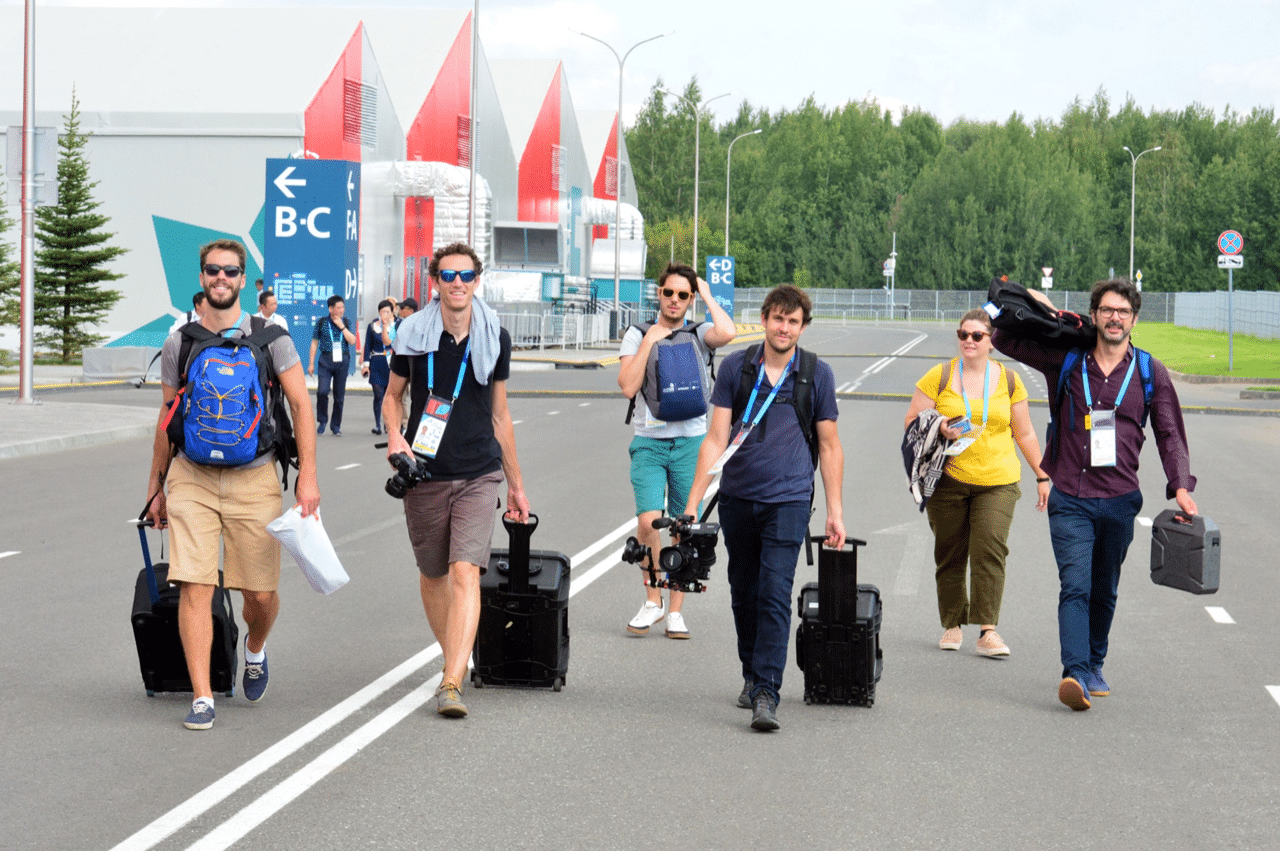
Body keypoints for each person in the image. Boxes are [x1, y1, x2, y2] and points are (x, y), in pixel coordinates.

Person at [993, 278, 1198, 712]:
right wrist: (1047, 313)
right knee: (1075, 584)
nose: (1114, 317)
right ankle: (1074, 673)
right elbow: (1003, 338)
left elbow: (1169, 432)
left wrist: (1180, 484)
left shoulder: (1148, 371)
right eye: (1106, 310)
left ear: (1134, 320)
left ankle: (1094, 662)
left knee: (1104, 587)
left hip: (1121, 498)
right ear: (1094, 315)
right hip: (1069, 495)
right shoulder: (1066, 360)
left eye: (1123, 311)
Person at [144, 239, 320, 731]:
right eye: (212, 270)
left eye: (230, 271)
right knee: (195, 585)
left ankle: (255, 647)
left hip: (255, 476)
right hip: (192, 477)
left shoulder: (272, 337)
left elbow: (302, 406)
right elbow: (167, 414)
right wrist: (156, 484)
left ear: (244, 280)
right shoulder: (180, 341)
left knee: (260, 595)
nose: (221, 278)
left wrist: (307, 475)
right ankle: (203, 696)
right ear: (201, 277)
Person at [684, 284, 845, 732]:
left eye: (793, 321)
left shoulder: (816, 374)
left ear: (802, 327)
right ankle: (751, 672)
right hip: (737, 498)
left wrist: (835, 510)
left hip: (789, 500)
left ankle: (766, 691)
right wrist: (693, 504)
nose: (784, 327)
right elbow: (715, 439)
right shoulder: (737, 367)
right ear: (766, 320)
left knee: (775, 592)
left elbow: (830, 447)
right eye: (777, 318)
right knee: (745, 591)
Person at [383, 242, 531, 719]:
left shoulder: (494, 336)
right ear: (435, 283)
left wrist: (516, 484)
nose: (458, 284)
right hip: (424, 472)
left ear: (477, 281)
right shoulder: (412, 333)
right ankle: (458, 656)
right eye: (448, 276)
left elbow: (501, 415)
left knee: (466, 571)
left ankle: (451, 680)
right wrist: (394, 438)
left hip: (478, 473)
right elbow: (392, 397)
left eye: (466, 276)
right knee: (434, 575)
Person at [904, 309, 1050, 658]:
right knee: (950, 552)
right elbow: (911, 421)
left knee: (989, 549)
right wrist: (939, 425)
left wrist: (1042, 474)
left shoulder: (1010, 381)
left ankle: (988, 630)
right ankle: (952, 623)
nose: (968, 340)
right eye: (963, 334)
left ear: (991, 341)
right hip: (948, 479)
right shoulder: (938, 376)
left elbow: (1025, 431)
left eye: (977, 335)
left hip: (998, 480)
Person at [617, 263, 736, 638]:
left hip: (691, 443)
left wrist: (707, 295)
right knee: (648, 521)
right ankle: (653, 600)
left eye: (683, 295)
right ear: (659, 293)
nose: (674, 300)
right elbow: (626, 386)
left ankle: (675, 610)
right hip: (650, 443)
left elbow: (729, 332)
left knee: (685, 525)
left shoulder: (699, 333)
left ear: (690, 300)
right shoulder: (637, 334)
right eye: (669, 292)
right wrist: (652, 340)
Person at [308, 294, 358, 436]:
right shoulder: (322, 322)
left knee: (339, 395)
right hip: (325, 360)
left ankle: (336, 426)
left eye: (343, 307)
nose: (341, 310)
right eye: (338, 308)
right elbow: (314, 342)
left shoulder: (346, 322)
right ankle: (322, 420)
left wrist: (342, 327)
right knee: (322, 391)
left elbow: (352, 340)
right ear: (331, 309)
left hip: (342, 361)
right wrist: (311, 363)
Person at [361, 298, 396, 435]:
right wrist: (366, 365)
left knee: (390, 395)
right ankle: (377, 424)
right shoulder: (372, 326)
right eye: (382, 312)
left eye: (387, 312)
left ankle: (389, 424)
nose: (385, 315)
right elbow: (367, 346)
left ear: (392, 313)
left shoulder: (396, 326)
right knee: (378, 394)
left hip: (391, 362)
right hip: (376, 361)